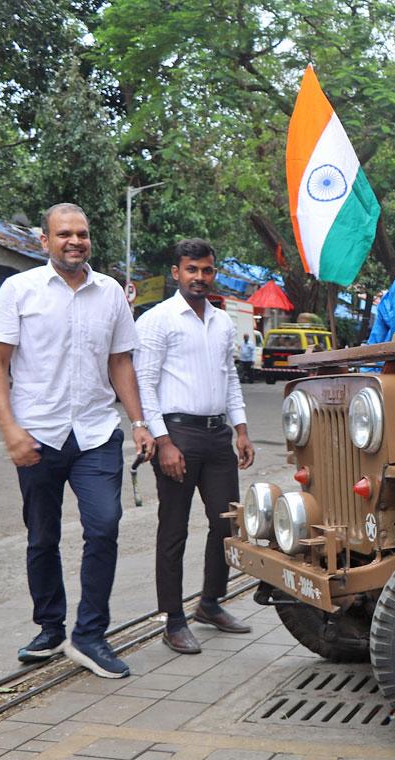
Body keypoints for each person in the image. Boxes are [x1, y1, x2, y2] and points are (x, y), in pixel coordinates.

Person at [0, 202, 155, 679]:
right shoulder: (19, 290)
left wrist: (139, 422)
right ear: (45, 241)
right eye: (63, 234)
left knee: (104, 526)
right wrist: (10, 430)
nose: (74, 241)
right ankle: (50, 626)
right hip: (37, 434)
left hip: (97, 433)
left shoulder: (111, 296)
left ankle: (90, 635)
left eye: (81, 233)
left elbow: (121, 363)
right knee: (43, 535)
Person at [134, 239, 256, 655]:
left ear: (213, 272)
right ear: (176, 272)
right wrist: (163, 441)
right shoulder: (157, 320)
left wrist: (240, 429)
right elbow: (143, 385)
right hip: (177, 435)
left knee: (227, 524)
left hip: (218, 433)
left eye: (206, 270)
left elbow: (231, 378)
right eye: (191, 270)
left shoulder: (222, 321)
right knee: (174, 528)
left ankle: (209, 603)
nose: (199, 277)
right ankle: (173, 619)